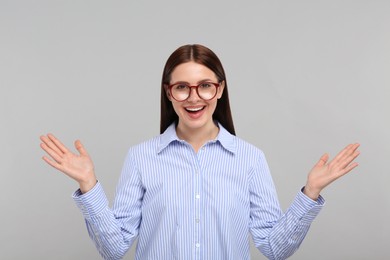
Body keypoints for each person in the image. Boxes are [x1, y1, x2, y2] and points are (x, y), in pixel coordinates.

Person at [40, 44, 360, 260]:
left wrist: (310, 192)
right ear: (169, 92)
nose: (194, 98)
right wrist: (89, 185)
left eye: (205, 85)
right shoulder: (141, 158)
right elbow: (114, 248)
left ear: (219, 89)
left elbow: (274, 248)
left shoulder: (250, 159)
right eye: (182, 87)